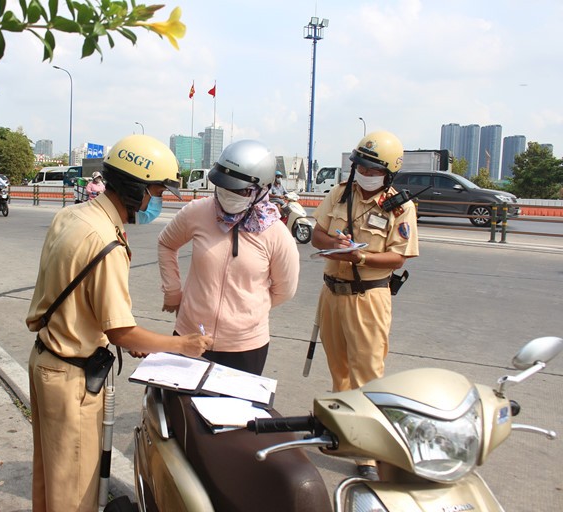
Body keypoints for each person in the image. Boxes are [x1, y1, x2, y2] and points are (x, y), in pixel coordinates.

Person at [25, 134, 212, 512]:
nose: (155, 201)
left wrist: (129, 340)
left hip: (46, 360)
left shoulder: (74, 215)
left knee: (51, 481)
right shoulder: (106, 242)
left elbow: (82, 301)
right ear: (135, 189)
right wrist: (183, 345)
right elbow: (120, 331)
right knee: (74, 492)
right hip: (71, 379)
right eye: (156, 191)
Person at [311, 130, 419, 480]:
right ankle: (344, 433)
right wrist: (334, 241)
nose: (365, 173)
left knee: (367, 376)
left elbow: (397, 258)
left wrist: (362, 256)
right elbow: (317, 235)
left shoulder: (400, 207)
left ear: (388, 173)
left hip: (368, 296)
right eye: (361, 166)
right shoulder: (341, 193)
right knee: (339, 370)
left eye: (373, 168)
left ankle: (369, 453)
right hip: (332, 294)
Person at [158, 139, 300, 376]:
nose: (227, 195)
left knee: (233, 412)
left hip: (245, 347)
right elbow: (166, 243)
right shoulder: (198, 212)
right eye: (223, 187)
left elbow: (285, 289)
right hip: (190, 336)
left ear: (261, 189)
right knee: (181, 410)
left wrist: (245, 313)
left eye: (239, 190)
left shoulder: (275, 233)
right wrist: (173, 292)